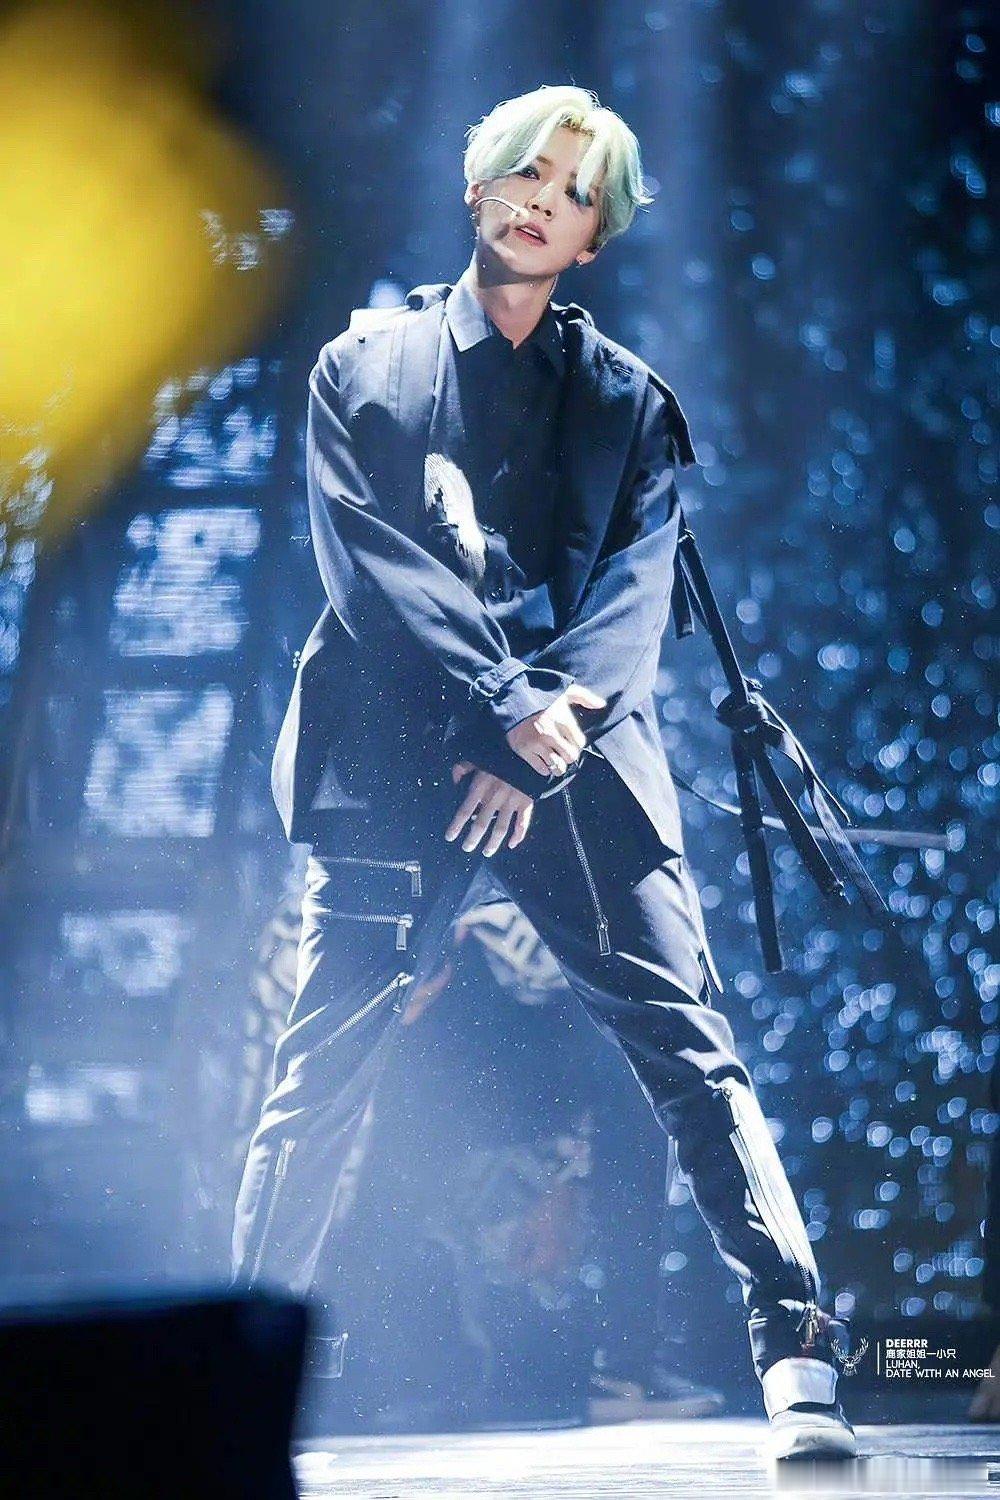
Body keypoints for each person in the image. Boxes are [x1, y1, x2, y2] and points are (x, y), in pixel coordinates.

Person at [231, 84, 857, 1461]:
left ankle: (798, 1346)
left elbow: (633, 596)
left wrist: (543, 733)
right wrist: (506, 713)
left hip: (578, 761)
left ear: (595, 236)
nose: (540, 198)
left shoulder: (630, 401)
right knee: (322, 1067)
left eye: (573, 191)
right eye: (523, 171)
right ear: (478, 188)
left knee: (687, 1042)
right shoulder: (365, 369)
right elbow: (371, 568)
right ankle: (230, 1378)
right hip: (404, 757)